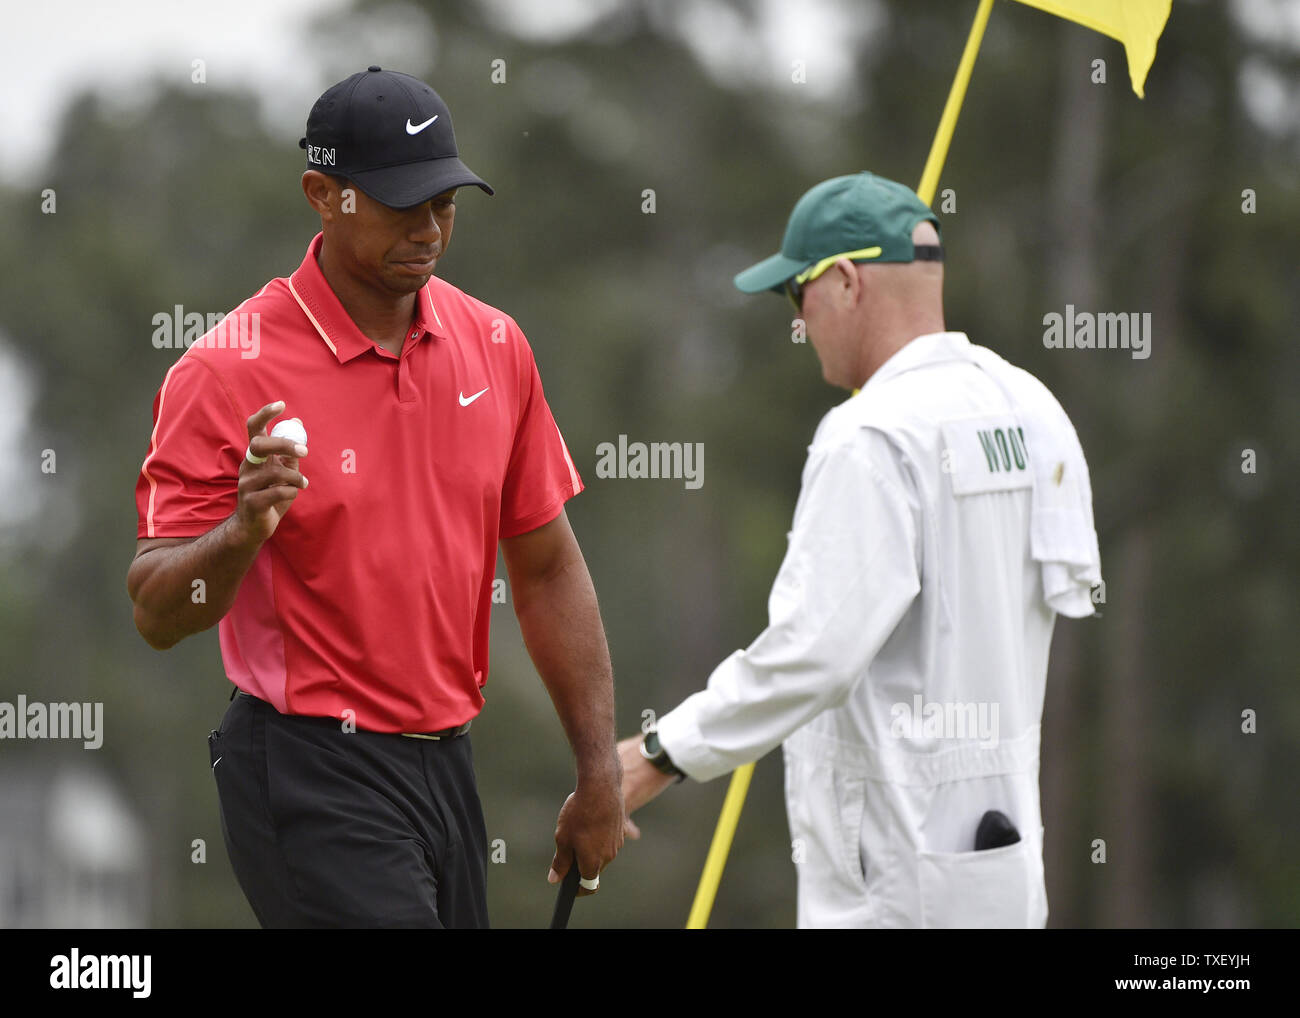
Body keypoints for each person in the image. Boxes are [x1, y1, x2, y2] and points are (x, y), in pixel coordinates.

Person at [126, 67, 624, 928]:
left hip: (446, 765)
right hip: (307, 766)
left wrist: (598, 772)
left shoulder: (495, 344)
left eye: (446, 203)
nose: (429, 229)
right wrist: (243, 529)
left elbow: (545, 571)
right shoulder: (223, 369)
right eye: (402, 204)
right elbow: (158, 612)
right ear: (324, 195)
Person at [618, 171, 1102, 928]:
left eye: (794, 294)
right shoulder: (1035, 409)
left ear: (844, 282)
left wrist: (659, 752)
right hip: (1002, 870)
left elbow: (815, 653)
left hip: (893, 877)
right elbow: (1065, 598)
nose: (799, 320)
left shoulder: (869, 434)